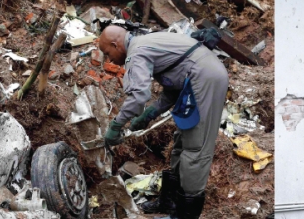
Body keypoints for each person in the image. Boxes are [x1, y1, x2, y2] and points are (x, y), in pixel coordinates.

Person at [97, 26, 229, 219]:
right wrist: (149, 114)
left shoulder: (136, 52)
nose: (109, 60)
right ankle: (169, 202)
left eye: (108, 53)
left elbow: (138, 96)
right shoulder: (146, 43)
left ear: (115, 44)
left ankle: (184, 215)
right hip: (196, 77)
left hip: (206, 78)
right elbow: (173, 86)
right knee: (180, 144)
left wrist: (116, 125)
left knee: (195, 150)